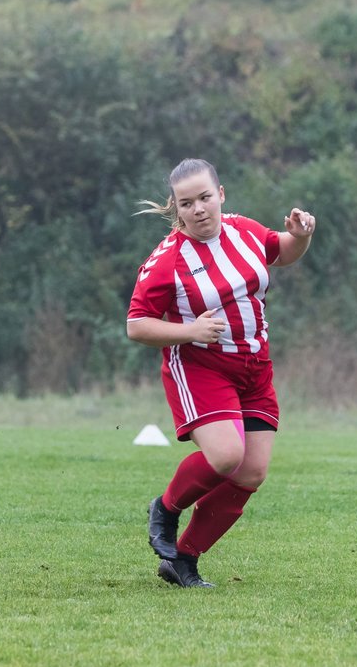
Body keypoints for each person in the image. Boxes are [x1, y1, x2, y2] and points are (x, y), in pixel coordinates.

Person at [127, 158, 315, 588]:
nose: (198, 209)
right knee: (227, 457)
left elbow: (282, 251)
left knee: (250, 473)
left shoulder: (244, 231)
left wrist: (301, 236)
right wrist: (190, 331)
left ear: (221, 194)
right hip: (200, 369)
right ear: (177, 208)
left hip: (254, 366)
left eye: (204, 198)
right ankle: (167, 508)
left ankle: (183, 560)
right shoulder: (167, 260)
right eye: (186, 203)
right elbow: (136, 324)